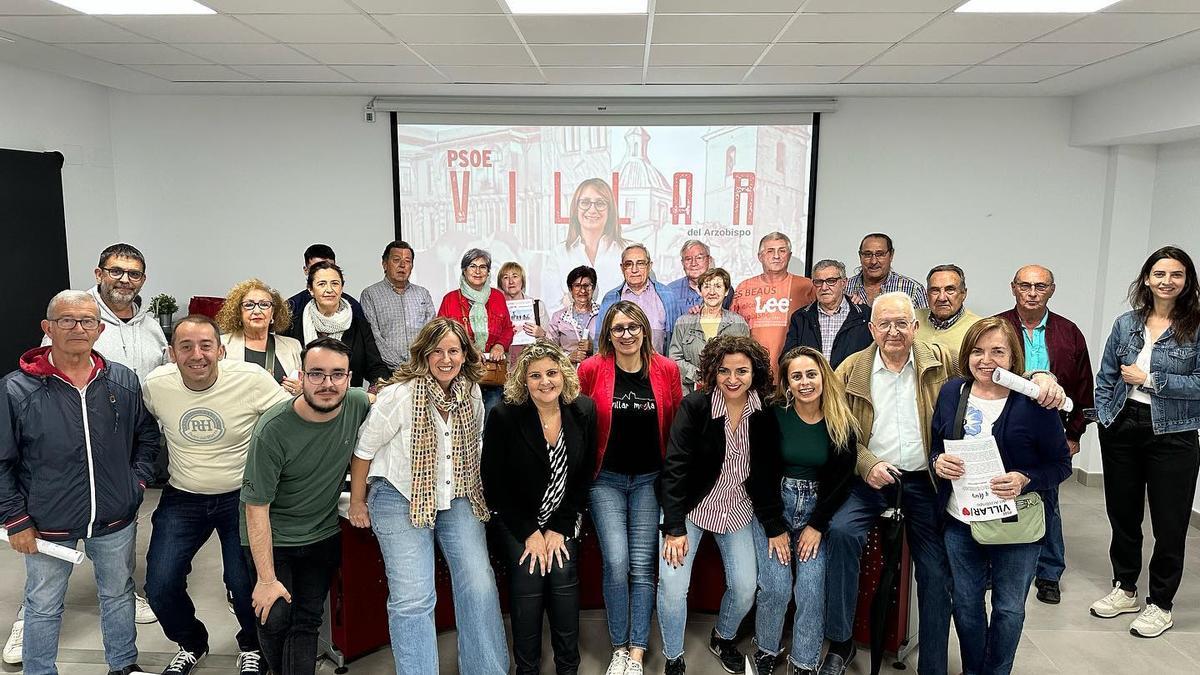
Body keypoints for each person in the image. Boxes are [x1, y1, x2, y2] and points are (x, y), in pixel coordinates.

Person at [819, 291, 1064, 675]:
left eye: (902, 322)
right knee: (840, 532)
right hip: (871, 477)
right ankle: (841, 640)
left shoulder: (942, 361)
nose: (894, 331)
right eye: (884, 323)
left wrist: (1041, 377)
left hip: (925, 483)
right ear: (871, 328)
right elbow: (836, 425)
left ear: (916, 326)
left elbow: (989, 371)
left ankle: (931, 666)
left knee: (935, 572)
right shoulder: (852, 368)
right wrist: (865, 463)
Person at [0, 290, 160, 675]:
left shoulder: (120, 380)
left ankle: (123, 666)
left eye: (87, 321)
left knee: (118, 595)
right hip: (46, 522)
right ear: (48, 328)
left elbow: (147, 438)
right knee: (43, 602)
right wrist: (15, 520)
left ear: (99, 328)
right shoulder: (16, 389)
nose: (78, 328)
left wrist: (134, 483)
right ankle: (39, 671)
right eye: (67, 320)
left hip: (115, 516)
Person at [347, 318, 508, 675]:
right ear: (424, 353)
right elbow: (363, 450)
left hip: (458, 491)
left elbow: (476, 442)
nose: (446, 358)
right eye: (437, 351)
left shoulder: (471, 391)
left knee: (479, 585)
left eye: (453, 350)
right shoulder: (400, 394)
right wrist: (357, 501)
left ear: (465, 354)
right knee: (414, 598)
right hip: (399, 495)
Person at [142, 316, 291, 675]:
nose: (197, 355)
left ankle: (251, 646)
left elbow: (291, 422)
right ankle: (192, 642)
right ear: (171, 354)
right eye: (186, 347)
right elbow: (141, 435)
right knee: (159, 586)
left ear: (221, 350)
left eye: (206, 345)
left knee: (243, 585)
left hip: (241, 497)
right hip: (183, 495)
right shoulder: (155, 385)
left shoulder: (251, 379)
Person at [930, 318, 1071, 675]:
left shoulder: (1034, 401)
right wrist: (938, 462)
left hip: (1017, 524)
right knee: (965, 604)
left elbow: (1060, 465)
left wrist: (1026, 478)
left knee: (1009, 608)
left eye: (997, 351)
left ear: (1013, 357)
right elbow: (935, 445)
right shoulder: (952, 392)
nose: (986, 360)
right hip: (962, 521)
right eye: (978, 351)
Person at [240, 338, 372, 675]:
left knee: (306, 621)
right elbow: (256, 509)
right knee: (275, 618)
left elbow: (393, 405)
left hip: (320, 535)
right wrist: (266, 579)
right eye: (317, 374)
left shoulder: (357, 403)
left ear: (349, 377)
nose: (328, 384)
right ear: (301, 376)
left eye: (337, 375)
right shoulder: (273, 429)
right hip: (274, 535)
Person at [657, 335, 784, 675]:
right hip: (692, 509)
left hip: (738, 508)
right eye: (724, 370)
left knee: (745, 588)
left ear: (754, 372)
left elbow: (767, 474)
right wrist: (673, 527)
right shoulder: (696, 406)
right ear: (712, 371)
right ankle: (673, 657)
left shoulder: (764, 412)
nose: (732, 379)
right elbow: (675, 467)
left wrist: (773, 525)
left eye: (741, 371)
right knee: (672, 585)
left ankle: (722, 636)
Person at [1090, 246, 1200, 639]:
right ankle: (1125, 588)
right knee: (1123, 514)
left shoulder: (1196, 325)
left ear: (1187, 281)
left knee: (1170, 524)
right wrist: (1105, 417)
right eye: (1159, 273)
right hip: (1123, 426)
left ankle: (1161, 604)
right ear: (1147, 278)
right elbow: (1106, 376)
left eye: (1176, 274)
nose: (1167, 281)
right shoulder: (1126, 323)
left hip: (1174, 432)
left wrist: (1152, 380)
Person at [578, 301, 682, 675]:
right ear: (608, 333)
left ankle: (637, 650)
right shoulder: (591, 369)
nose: (626, 335)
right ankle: (618, 647)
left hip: (649, 480)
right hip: (605, 479)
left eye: (633, 327)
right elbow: (578, 423)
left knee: (641, 566)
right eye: (618, 328)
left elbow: (676, 428)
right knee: (617, 561)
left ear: (644, 330)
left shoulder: (666, 369)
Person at [482, 340, 597, 675]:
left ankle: (567, 667)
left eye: (551, 372)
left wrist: (558, 528)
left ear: (563, 373)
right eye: (535, 376)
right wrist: (531, 532)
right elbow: (495, 483)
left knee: (562, 574)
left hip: (564, 515)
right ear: (524, 380)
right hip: (519, 518)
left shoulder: (583, 410)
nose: (545, 381)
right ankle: (527, 668)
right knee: (530, 575)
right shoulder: (505, 415)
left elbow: (582, 477)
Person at [751, 347, 858, 675]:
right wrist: (773, 525)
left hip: (816, 512)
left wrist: (816, 524)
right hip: (775, 507)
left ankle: (803, 662)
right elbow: (759, 476)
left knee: (811, 588)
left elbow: (840, 484)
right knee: (776, 584)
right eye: (796, 376)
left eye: (811, 374)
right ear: (787, 382)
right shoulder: (769, 417)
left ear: (823, 376)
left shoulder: (841, 423)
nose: (805, 382)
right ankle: (767, 649)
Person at [996, 264, 1094, 605]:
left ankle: (1049, 572)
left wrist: (1075, 433)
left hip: (1051, 429)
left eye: (1040, 286)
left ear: (1052, 290)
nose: (1032, 292)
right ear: (1013, 288)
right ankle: (1000, 563)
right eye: (1025, 285)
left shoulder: (1068, 332)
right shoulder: (998, 327)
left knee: (1048, 499)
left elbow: (1084, 386)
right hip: (1005, 426)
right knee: (1003, 492)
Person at [284, 261, 390, 389]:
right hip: (304, 401)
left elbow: (377, 369)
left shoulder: (359, 325)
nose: (329, 289)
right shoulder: (293, 324)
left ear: (342, 288)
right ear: (310, 290)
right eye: (322, 284)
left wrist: (373, 392)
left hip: (348, 402)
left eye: (335, 283)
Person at [73, 242, 168, 381]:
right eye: (116, 272)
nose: (125, 280)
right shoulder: (72, 322)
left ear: (142, 280)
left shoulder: (152, 328)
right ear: (99, 275)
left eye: (134, 274)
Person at [436, 248, 515, 415]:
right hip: (460, 373)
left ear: (488, 271)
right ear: (464, 270)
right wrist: (470, 349)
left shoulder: (497, 297)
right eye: (473, 266)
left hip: (492, 374)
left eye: (483, 267)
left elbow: (508, 328)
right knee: (463, 418)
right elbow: (441, 334)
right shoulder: (450, 299)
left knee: (492, 418)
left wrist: (500, 345)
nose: (478, 271)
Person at [731, 232, 816, 380]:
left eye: (782, 251)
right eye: (770, 251)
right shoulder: (743, 287)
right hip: (752, 374)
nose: (776, 256)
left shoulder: (807, 286)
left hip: (793, 374)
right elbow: (730, 326)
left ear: (789, 255)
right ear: (760, 256)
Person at [540, 178, 627, 314]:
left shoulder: (626, 251)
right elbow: (552, 309)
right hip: (572, 334)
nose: (592, 210)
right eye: (585, 203)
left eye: (600, 203)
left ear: (610, 210)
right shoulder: (559, 254)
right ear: (575, 208)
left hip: (617, 333)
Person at [667, 268, 749, 393]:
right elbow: (674, 358)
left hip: (729, 392)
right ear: (700, 291)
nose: (712, 292)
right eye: (706, 286)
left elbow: (746, 359)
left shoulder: (738, 323)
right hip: (691, 393)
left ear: (726, 291)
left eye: (718, 286)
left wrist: (723, 374)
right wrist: (699, 375)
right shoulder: (683, 322)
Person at [595, 244, 685, 356]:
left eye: (640, 263)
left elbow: (677, 341)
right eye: (629, 264)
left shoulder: (668, 296)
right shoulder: (610, 298)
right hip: (619, 370)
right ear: (622, 268)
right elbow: (600, 341)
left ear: (649, 266)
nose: (634, 270)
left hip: (658, 369)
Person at [215, 279, 303, 393]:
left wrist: (300, 389)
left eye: (264, 304)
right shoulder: (222, 345)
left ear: (272, 313)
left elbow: (308, 388)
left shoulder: (293, 346)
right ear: (239, 313)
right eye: (249, 305)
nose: (257, 311)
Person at [360, 240, 436, 370]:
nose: (402, 265)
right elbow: (374, 337)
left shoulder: (423, 294)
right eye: (396, 260)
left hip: (422, 368)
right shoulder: (370, 295)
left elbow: (431, 332)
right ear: (384, 264)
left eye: (407, 261)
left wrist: (419, 362)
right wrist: (400, 366)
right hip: (387, 371)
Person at [784, 259, 872, 370]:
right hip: (812, 385)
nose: (824, 287)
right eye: (819, 282)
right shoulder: (801, 318)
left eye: (831, 281)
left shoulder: (865, 315)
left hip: (851, 385)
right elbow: (787, 358)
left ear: (844, 283)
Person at [844, 233, 928, 308]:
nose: (873, 261)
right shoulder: (844, 288)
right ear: (860, 256)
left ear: (891, 255)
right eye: (867, 254)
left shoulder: (913, 289)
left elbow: (925, 325)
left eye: (880, 254)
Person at [284, 243, 364, 321]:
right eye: (316, 268)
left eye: (329, 267)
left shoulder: (352, 306)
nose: (324, 271)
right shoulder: (292, 307)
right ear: (306, 270)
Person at [915, 264, 982, 357]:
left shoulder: (979, 328)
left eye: (950, 290)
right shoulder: (911, 319)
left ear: (963, 294)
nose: (942, 298)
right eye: (935, 290)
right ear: (927, 295)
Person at [544, 265, 600, 365]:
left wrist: (594, 347)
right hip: (569, 374)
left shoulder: (604, 313)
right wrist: (568, 357)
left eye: (587, 286)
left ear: (594, 288)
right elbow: (548, 351)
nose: (583, 291)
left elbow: (613, 346)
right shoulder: (558, 317)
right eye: (577, 286)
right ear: (570, 289)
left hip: (597, 372)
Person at [498, 261, 546, 362]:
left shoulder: (537, 305)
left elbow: (553, 340)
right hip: (504, 363)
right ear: (501, 283)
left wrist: (542, 334)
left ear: (522, 280)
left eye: (515, 276)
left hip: (532, 361)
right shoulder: (495, 308)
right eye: (506, 277)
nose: (511, 281)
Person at [665, 240, 732, 313]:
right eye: (688, 259)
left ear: (709, 260)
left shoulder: (723, 288)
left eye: (699, 258)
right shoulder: (670, 291)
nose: (693, 263)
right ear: (682, 263)